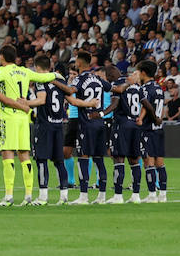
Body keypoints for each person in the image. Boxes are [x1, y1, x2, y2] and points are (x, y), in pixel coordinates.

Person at [0, 44, 59, 206]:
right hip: (23, 117)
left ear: (3, 56)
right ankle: (28, 195)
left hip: (9, 115)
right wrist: (56, 75)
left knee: (7, 153)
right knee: (24, 155)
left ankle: (9, 196)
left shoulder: (3, 71)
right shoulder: (24, 71)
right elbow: (43, 77)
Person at [29, 54, 76, 204]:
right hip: (58, 125)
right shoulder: (60, 80)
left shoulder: (40, 81)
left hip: (44, 126)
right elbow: (71, 98)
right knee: (59, 161)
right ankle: (64, 196)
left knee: (41, 160)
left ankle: (43, 197)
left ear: (37, 67)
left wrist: (24, 103)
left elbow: (41, 100)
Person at [69, 51, 110, 204]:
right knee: (99, 159)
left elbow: (71, 91)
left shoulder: (79, 79)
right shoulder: (98, 78)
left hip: (86, 123)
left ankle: (83, 196)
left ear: (79, 62)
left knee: (83, 158)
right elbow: (110, 88)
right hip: (99, 122)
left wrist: (58, 83)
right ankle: (102, 196)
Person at [106, 65, 145, 204]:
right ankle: (136, 195)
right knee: (134, 161)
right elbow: (145, 104)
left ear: (110, 77)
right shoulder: (136, 86)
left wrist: (101, 113)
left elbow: (115, 104)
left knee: (119, 159)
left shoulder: (117, 84)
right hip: (135, 125)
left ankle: (118, 196)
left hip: (121, 125)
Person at [138, 60, 167, 202]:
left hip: (148, 128)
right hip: (159, 129)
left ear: (143, 73)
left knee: (148, 162)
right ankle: (163, 195)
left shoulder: (145, 88)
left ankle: (152, 195)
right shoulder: (159, 88)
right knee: (160, 163)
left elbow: (146, 106)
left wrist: (140, 118)